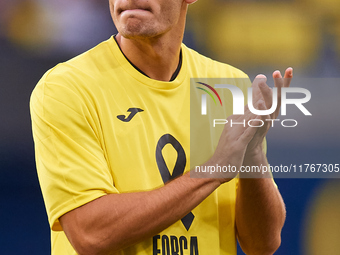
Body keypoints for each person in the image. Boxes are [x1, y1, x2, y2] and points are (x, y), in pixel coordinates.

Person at [30, 0, 291, 254]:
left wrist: (252, 152)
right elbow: (90, 234)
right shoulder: (65, 88)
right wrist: (213, 170)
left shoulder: (226, 85)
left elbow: (262, 244)